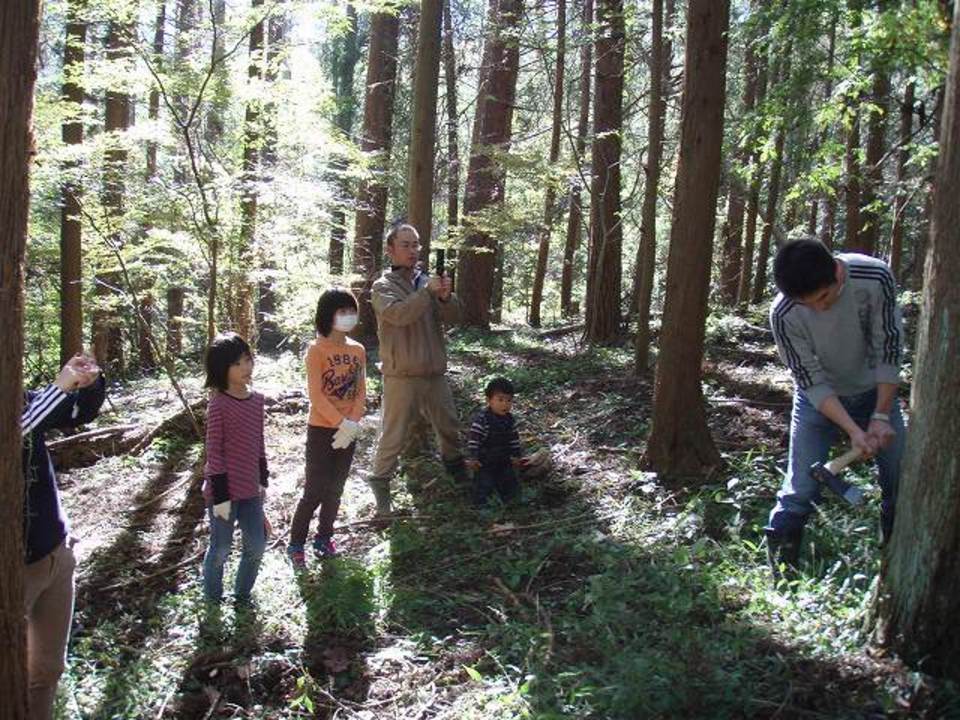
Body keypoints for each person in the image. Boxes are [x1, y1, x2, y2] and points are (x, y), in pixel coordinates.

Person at [765, 238, 906, 574]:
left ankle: (895, 566)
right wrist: (855, 431)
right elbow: (809, 379)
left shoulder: (874, 278)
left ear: (837, 272)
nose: (818, 309)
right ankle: (783, 578)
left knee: (900, 479)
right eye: (807, 304)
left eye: (824, 298)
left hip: (876, 390)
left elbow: (888, 349)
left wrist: (881, 415)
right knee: (799, 488)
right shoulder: (783, 313)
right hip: (820, 402)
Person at [22, 352, 104, 720]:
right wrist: (58, 387)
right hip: (14, 572)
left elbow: (74, 414)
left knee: (46, 670)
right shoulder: (22, 413)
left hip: (55, 553)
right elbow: (14, 431)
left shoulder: (18, 398)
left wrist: (87, 384)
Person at [366, 222, 467, 516]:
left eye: (416, 244)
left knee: (449, 426)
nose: (413, 250)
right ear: (391, 249)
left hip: (434, 372)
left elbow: (457, 316)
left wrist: (445, 297)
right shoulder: (382, 286)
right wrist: (426, 294)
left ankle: (457, 474)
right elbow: (398, 315)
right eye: (406, 245)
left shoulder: (427, 281)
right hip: (401, 375)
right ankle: (381, 488)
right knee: (392, 435)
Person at [287, 288, 366, 568]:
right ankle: (296, 544)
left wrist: (352, 423)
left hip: (350, 429)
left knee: (336, 487)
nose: (348, 317)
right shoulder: (316, 350)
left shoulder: (358, 350)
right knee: (315, 489)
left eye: (351, 311)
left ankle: (324, 537)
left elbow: (360, 391)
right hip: (321, 428)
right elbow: (316, 395)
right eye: (341, 312)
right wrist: (339, 422)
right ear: (327, 315)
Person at [201, 332, 269, 604]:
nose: (246, 368)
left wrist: (263, 478)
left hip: (251, 491)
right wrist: (219, 495)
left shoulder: (257, 400)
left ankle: (242, 595)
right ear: (222, 369)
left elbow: (259, 442)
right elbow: (214, 450)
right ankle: (212, 599)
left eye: (247, 360)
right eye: (237, 364)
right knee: (220, 548)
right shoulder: (218, 403)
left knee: (256, 545)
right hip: (223, 494)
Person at [466, 377, 526, 506]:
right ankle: (481, 506)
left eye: (509, 400)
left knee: (510, 484)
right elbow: (474, 440)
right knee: (484, 485)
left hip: (504, 460)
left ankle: (511, 503)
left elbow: (514, 439)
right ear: (489, 400)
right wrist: (473, 458)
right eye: (500, 400)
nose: (505, 404)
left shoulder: (509, 420)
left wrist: (516, 456)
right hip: (485, 462)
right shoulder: (483, 419)